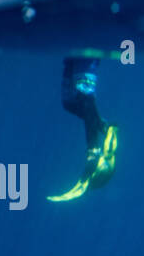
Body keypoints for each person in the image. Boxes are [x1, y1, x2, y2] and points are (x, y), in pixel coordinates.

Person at [47, 53, 119, 202]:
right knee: (75, 99)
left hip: (83, 54)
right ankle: (102, 129)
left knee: (78, 96)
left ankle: (97, 142)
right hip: (80, 53)